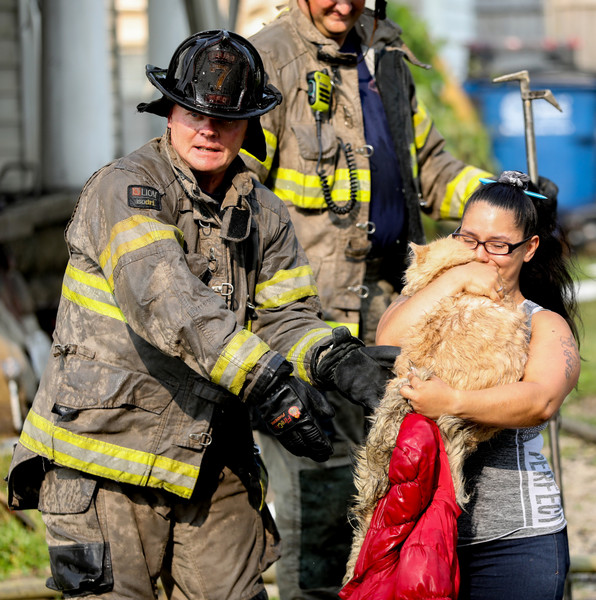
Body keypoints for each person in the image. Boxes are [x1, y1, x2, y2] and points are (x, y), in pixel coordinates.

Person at [7, 30, 398, 600]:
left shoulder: (265, 211)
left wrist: (338, 360)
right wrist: (269, 384)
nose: (209, 130)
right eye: (194, 113)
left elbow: (286, 316)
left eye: (227, 117)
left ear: (251, 124)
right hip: (105, 459)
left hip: (209, 457)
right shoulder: (127, 189)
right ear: (169, 112)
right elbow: (170, 303)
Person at [239, 0, 494, 596]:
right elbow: (235, 190)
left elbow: (431, 166)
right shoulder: (272, 58)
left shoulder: (384, 53)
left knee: (394, 485)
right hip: (300, 325)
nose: (343, 4)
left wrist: (502, 195)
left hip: (387, 317)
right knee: (321, 495)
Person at [376, 170, 581, 600]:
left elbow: (540, 401)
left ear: (530, 248)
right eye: (468, 240)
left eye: (497, 246)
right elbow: (389, 343)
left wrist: (452, 401)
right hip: (418, 536)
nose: (481, 256)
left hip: (514, 541)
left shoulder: (543, 323)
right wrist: (453, 280)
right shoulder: (427, 296)